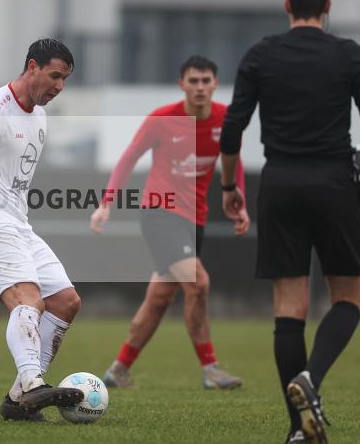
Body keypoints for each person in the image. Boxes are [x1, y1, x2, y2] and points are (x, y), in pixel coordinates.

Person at [219, 0, 360, 444]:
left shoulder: (261, 56)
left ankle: (299, 428)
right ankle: (311, 381)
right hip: (336, 183)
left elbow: (232, 129)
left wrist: (230, 187)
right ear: (329, 7)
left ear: (287, 5)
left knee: (288, 308)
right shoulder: (349, 56)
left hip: (279, 185)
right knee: (349, 298)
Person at [90, 56, 250, 391]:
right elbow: (128, 157)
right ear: (182, 85)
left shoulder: (226, 119)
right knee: (199, 283)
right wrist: (106, 204)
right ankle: (211, 369)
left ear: (216, 84)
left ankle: (119, 369)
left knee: (159, 299)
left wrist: (238, 203)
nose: (201, 87)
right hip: (160, 213)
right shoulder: (162, 120)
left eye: (206, 80)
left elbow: (233, 164)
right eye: (194, 81)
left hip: (196, 219)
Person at [0, 38, 84, 422]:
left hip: (19, 224)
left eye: (65, 80)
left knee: (65, 302)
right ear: (32, 67)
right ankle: (32, 383)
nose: (59, 86)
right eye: (55, 76)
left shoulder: (39, 116)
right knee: (29, 300)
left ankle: (19, 398)